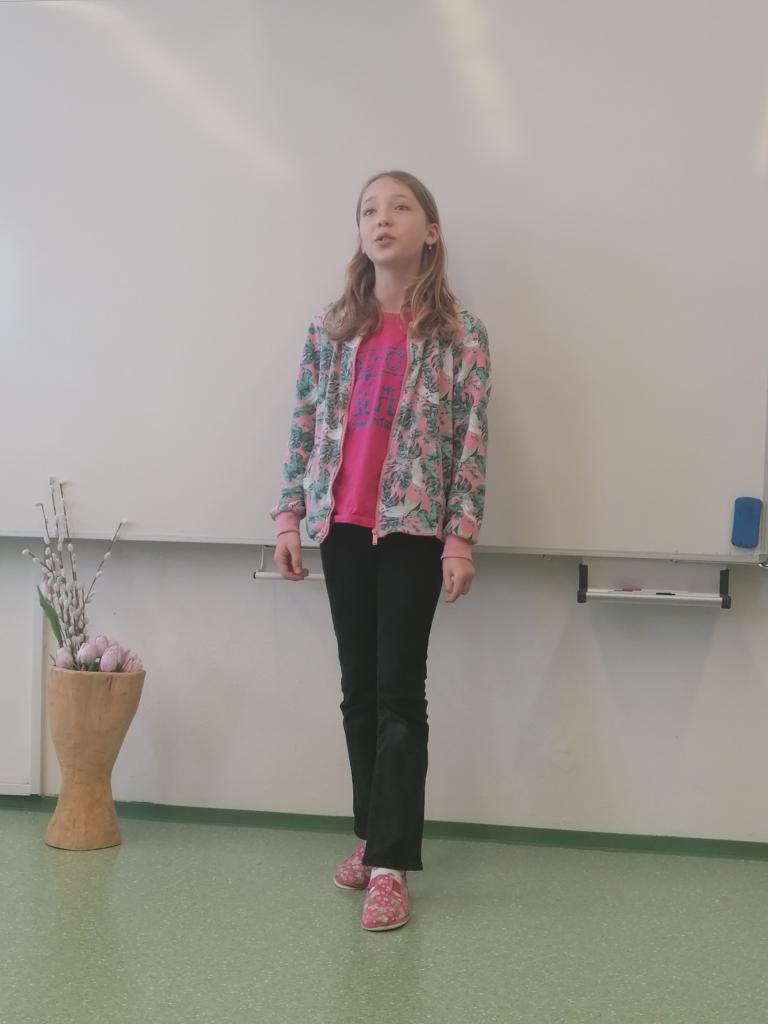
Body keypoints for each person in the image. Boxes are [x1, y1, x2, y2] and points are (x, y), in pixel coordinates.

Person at [271, 170, 491, 931]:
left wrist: (460, 538)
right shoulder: (331, 328)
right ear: (359, 232)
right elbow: (303, 424)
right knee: (358, 690)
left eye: (400, 206)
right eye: (369, 209)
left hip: (413, 530)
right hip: (342, 525)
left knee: (400, 692)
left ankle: (392, 864)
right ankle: (371, 837)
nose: (382, 218)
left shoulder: (460, 333)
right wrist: (289, 516)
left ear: (431, 231)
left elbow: (471, 441)